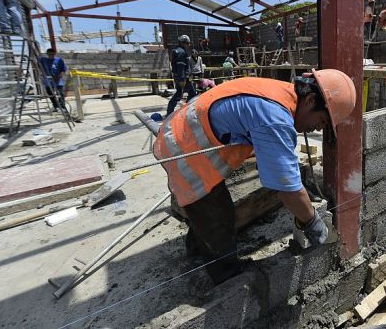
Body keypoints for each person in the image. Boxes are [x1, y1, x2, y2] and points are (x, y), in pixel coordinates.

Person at [153, 69, 356, 284]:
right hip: (182, 146)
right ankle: (228, 279)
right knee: (217, 215)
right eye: (322, 121)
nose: (317, 128)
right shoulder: (275, 117)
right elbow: (288, 189)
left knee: (208, 210)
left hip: (184, 130)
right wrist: (313, 223)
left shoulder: (281, 94)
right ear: (311, 100)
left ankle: (197, 251)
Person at [167, 35, 197, 116]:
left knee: (190, 93)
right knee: (183, 94)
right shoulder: (181, 52)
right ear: (182, 43)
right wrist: (182, 79)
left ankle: (186, 109)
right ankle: (171, 112)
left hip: (181, 77)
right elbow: (181, 66)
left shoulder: (178, 51)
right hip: (182, 77)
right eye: (187, 43)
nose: (188, 45)